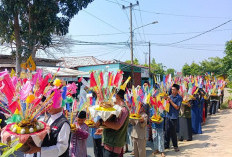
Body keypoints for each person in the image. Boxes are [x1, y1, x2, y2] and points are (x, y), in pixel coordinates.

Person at [96, 89, 129, 157]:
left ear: (117, 96)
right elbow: (113, 124)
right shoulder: (118, 108)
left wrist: (102, 122)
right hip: (108, 143)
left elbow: (117, 126)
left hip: (113, 146)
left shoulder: (124, 109)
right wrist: (103, 129)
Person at [164, 84, 182, 152]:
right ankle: (166, 145)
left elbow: (177, 107)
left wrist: (170, 101)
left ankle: (175, 146)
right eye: (172, 89)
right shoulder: (169, 96)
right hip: (168, 115)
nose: (172, 90)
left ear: (177, 90)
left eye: (174, 89)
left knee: (173, 132)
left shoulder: (179, 98)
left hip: (174, 116)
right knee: (166, 131)